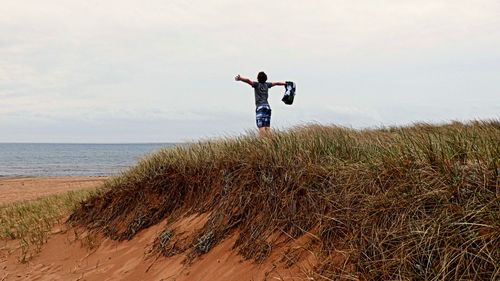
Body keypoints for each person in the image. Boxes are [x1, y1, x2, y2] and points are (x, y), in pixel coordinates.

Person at [234, 71, 286, 136]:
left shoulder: (256, 85)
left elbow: (248, 80)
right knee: (267, 127)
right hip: (267, 107)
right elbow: (277, 83)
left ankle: (262, 143)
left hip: (260, 107)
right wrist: (285, 84)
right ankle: (270, 142)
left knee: (261, 127)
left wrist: (240, 78)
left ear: (258, 78)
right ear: (265, 78)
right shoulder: (267, 85)